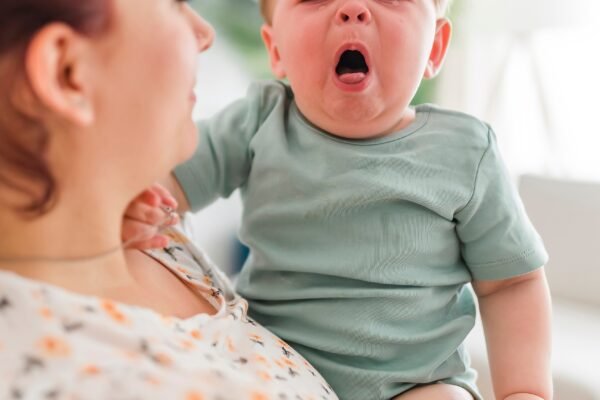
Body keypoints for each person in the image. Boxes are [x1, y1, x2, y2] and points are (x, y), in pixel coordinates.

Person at [128, 0, 553, 399]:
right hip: (274, 370)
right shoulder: (258, 121)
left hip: (418, 383)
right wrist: (134, 204)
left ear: (435, 48)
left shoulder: (465, 151)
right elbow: (170, 183)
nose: (352, 9)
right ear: (275, 48)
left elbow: (512, 283)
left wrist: (524, 390)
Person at [0, 1, 339, 399]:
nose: (205, 34)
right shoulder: (66, 378)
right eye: (175, 4)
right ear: (68, 73)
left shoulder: (151, 234)